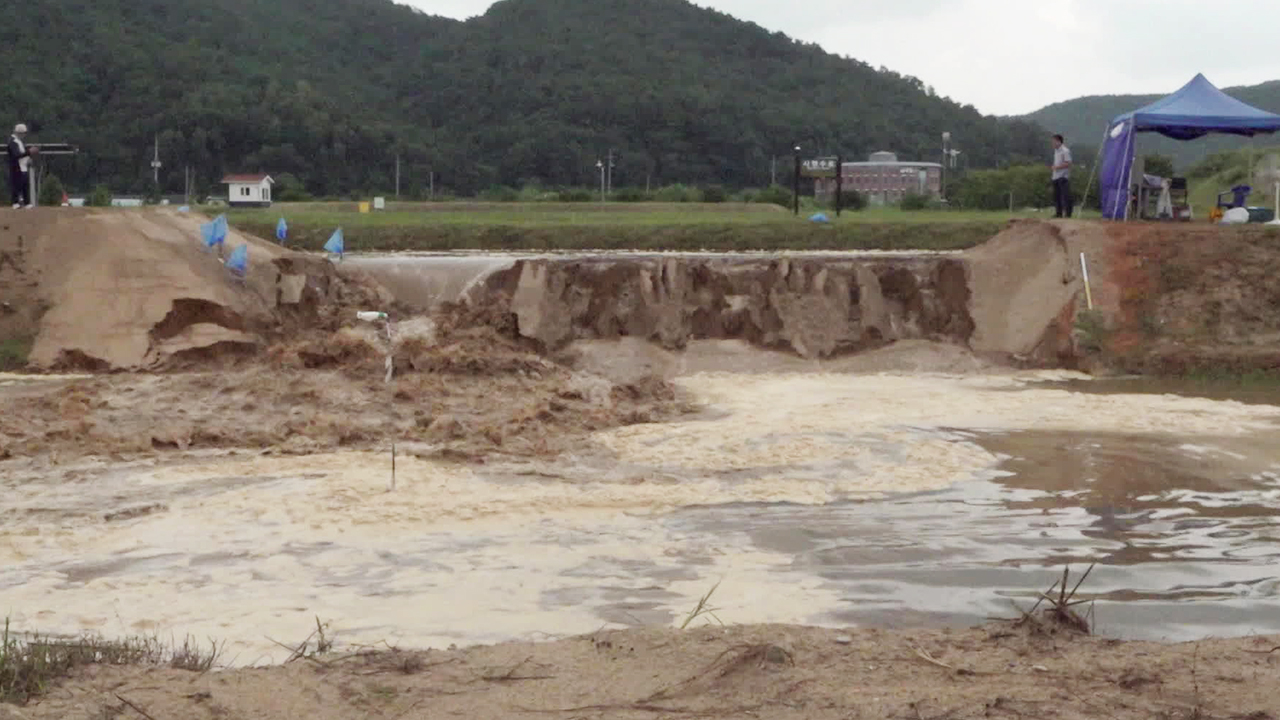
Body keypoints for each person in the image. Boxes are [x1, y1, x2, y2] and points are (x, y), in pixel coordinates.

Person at [7, 124, 33, 209]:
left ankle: (27, 202)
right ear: (19, 133)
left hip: (23, 167)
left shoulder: (19, 141)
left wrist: (28, 157)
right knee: (16, 185)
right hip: (16, 167)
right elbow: (16, 155)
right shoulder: (12, 142)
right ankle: (15, 202)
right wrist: (29, 152)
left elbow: (23, 153)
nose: (24, 135)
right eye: (23, 133)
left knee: (25, 185)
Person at [1051, 134, 1073, 218]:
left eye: (1054, 141)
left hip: (1063, 176)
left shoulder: (1065, 151)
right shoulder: (1056, 151)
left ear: (1059, 141)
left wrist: (1057, 167)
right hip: (1055, 176)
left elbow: (1068, 163)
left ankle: (1068, 214)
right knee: (1056, 196)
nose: (1052, 143)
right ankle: (1058, 213)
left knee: (1065, 196)